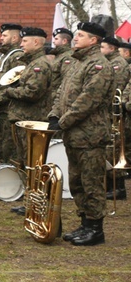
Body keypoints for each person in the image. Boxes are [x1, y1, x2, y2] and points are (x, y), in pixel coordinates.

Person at [49, 21, 113, 246]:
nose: (75, 38)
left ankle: (96, 229)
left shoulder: (99, 65)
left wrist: (63, 122)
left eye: (81, 35)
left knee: (91, 182)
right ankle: (85, 223)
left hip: (90, 136)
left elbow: (87, 101)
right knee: (77, 182)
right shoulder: (77, 63)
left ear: (93, 40)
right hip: (74, 134)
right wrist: (54, 115)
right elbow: (62, 93)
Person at [0, 27, 53, 215]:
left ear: (36, 43)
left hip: (32, 120)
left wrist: (9, 91)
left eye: (25, 41)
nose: (21, 44)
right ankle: (31, 199)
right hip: (24, 120)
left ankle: (38, 200)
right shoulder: (31, 63)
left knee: (34, 163)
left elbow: (32, 92)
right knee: (26, 162)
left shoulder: (40, 65)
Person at [99, 36, 130, 200]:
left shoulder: (117, 64)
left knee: (113, 150)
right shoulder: (110, 63)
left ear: (111, 48)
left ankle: (118, 188)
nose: (100, 50)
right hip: (109, 111)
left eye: (102, 47)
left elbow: (115, 89)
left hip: (114, 112)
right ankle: (111, 186)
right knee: (108, 149)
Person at [0, 23, 23, 167]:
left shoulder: (17, 56)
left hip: (8, 109)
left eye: (5, 35)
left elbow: (15, 84)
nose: (1, 38)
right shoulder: (3, 56)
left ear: (15, 38)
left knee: (8, 147)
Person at [49, 27, 74, 103]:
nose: (53, 42)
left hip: (58, 96)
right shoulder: (59, 55)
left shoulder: (68, 56)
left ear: (64, 41)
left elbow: (66, 79)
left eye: (56, 39)